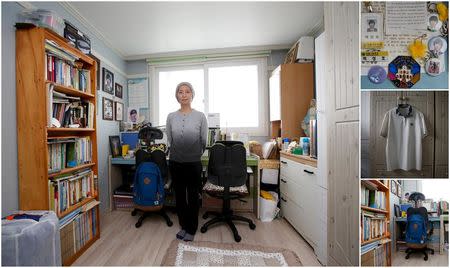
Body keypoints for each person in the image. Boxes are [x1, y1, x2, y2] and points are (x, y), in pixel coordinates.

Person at [166, 82, 208, 242]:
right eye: (180, 92)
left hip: (193, 163)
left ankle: (192, 228)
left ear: (192, 95)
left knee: (192, 195)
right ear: (177, 95)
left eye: (187, 92)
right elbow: (170, 139)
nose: (184, 95)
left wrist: (193, 154)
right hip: (175, 162)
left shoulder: (200, 116)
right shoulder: (171, 116)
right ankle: (183, 226)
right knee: (180, 196)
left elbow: (203, 140)